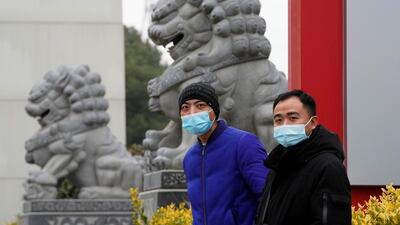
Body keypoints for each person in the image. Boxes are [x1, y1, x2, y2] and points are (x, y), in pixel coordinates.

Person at [255, 89, 351, 225]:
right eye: (278, 120)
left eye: (293, 118)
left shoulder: (328, 167)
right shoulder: (277, 167)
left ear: (312, 123)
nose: (285, 125)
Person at [179, 82, 269, 225]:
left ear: (214, 110)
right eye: (185, 107)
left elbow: (268, 197)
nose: (192, 112)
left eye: (200, 105)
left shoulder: (243, 143)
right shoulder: (189, 158)